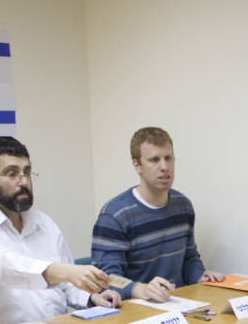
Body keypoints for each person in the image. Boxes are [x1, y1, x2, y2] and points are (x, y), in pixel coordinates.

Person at [0, 136, 121, 324]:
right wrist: (67, 272)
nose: (24, 181)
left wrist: (92, 298)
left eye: (27, 172)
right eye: (12, 174)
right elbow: (4, 267)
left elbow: (65, 285)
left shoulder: (44, 223)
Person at [91, 127, 223, 302]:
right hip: (135, 312)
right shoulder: (114, 215)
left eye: (169, 158)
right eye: (154, 160)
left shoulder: (183, 205)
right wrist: (140, 289)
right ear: (137, 165)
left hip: (179, 306)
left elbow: (189, 258)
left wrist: (199, 276)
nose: (164, 167)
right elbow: (106, 279)